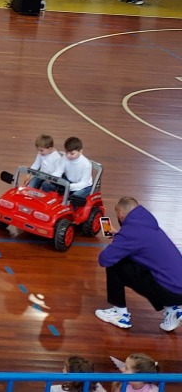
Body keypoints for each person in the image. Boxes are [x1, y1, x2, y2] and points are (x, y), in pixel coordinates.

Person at [95, 196, 182, 332]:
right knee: (147, 267)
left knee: (115, 264)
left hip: (171, 291)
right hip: (177, 288)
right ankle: (172, 310)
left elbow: (104, 259)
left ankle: (119, 314)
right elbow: (138, 241)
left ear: (120, 214)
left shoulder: (130, 233)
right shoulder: (147, 223)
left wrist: (119, 240)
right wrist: (119, 236)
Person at [60, 136, 93, 203]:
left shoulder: (86, 164)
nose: (68, 155)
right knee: (47, 185)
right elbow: (58, 171)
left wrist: (69, 186)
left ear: (80, 152)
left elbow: (84, 183)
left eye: (72, 154)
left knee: (74, 198)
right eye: (66, 152)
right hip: (69, 182)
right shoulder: (64, 158)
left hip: (84, 186)